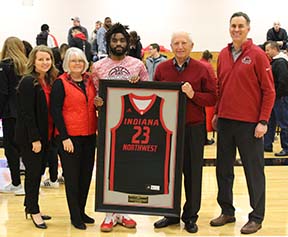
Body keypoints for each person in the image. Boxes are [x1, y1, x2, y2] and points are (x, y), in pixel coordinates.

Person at [210, 12, 275, 235]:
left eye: (240, 26)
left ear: (248, 29)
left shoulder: (257, 54)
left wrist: (263, 121)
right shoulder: (224, 55)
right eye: (233, 26)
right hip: (226, 123)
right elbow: (221, 88)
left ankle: (256, 217)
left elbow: (269, 91)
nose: (236, 29)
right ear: (229, 28)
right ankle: (227, 211)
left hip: (250, 125)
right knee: (223, 171)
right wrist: (217, 112)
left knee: (253, 172)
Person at [153, 31, 217, 234]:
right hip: (167, 129)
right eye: (176, 43)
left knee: (192, 173)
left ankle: (190, 216)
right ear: (170, 47)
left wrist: (193, 95)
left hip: (193, 129)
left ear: (191, 45)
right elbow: (154, 96)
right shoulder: (162, 69)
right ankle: (170, 214)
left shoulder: (203, 69)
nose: (180, 46)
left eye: (183, 43)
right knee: (169, 174)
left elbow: (212, 98)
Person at [92, 22, 149, 232]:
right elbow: (95, 96)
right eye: (114, 40)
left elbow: (149, 95)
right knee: (107, 167)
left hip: (132, 125)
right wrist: (97, 102)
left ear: (128, 43)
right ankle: (109, 213)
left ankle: (123, 212)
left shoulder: (138, 65)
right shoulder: (97, 67)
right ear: (108, 43)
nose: (118, 43)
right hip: (108, 124)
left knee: (127, 168)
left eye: (122, 40)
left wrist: (139, 87)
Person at [50, 47, 97, 230]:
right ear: (67, 64)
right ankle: (74, 215)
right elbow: (55, 111)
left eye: (80, 60)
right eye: (73, 60)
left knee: (85, 177)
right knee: (72, 178)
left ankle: (82, 210)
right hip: (70, 138)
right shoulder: (60, 83)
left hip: (89, 135)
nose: (77, 64)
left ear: (85, 62)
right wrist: (64, 137)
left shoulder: (90, 80)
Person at [15, 45, 58, 229]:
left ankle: (30, 205)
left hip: (46, 134)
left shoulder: (49, 80)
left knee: (39, 172)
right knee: (33, 175)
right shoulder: (28, 81)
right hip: (32, 137)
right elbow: (26, 114)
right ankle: (33, 210)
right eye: (40, 59)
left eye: (47, 59)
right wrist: (35, 139)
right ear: (33, 61)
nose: (44, 62)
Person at [0, 37, 27, 196]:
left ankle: (16, 183)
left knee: (10, 147)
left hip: (10, 113)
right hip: (26, 113)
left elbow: (3, 92)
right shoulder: (26, 67)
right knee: (24, 147)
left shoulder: (4, 66)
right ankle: (27, 184)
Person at [263, 41, 288, 156]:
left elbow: (283, 82)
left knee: (283, 124)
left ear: (274, 49)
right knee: (270, 122)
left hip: (280, 98)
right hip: (275, 98)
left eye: (268, 50)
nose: (266, 52)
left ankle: (286, 148)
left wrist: (276, 95)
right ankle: (267, 145)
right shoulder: (275, 62)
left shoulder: (281, 62)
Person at [199, 50, 217, 145]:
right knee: (203, 118)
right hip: (205, 95)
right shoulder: (208, 66)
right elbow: (213, 81)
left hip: (196, 95)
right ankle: (204, 139)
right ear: (209, 59)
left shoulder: (197, 63)